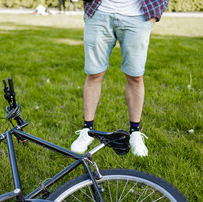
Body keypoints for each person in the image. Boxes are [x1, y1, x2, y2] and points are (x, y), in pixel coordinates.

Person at [71, 0, 169, 157]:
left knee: (136, 76)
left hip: (138, 16)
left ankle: (135, 133)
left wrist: (155, 15)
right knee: (94, 74)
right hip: (99, 13)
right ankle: (87, 131)